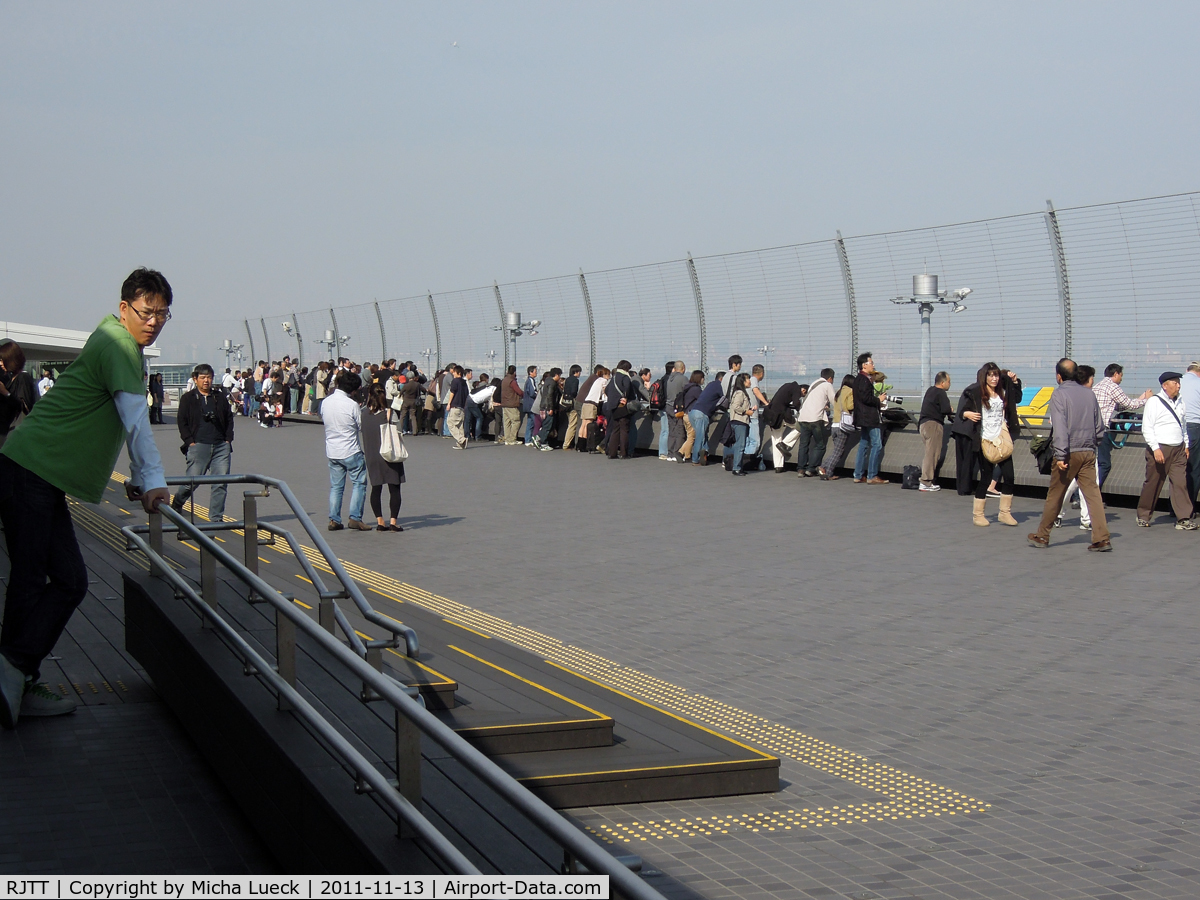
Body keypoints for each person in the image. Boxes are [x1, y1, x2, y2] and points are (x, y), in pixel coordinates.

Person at [0, 268, 172, 727]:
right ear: (124, 309)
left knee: (68, 581)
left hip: (38, 472)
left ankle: (16, 673)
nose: (153, 321)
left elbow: (120, 419)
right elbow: (136, 418)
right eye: (146, 311)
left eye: (162, 314)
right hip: (30, 468)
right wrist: (153, 479)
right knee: (36, 579)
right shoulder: (117, 344)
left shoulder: (117, 344)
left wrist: (136, 476)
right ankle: (13, 673)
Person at [1028, 358, 1111, 550]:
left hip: (1068, 452)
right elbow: (1099, 426)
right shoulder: (1089, 394)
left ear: (1058, 376)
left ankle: (1042, 535)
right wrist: (1093, 444)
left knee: (1055, 494)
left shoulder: (1059, 395)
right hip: (1088, 452)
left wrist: (1061, 454)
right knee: (1093, 495)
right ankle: (1102, 538)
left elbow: (1060, 427)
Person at [955, 362, 1022, 526]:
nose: (994, 378)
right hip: (984, 439)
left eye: (996, 375)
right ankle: (978, 514)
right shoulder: (975, 392)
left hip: (1001, 439)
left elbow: (1017, 398)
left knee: (1010, 476)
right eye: (990, 375)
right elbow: (961, 410)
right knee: (986, 478)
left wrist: (1015, 382)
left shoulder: (1001, 392)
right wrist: (967, 413)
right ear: (984, 376)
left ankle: (1004, 513)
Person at [170, 363, 235, 522]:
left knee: (220, 483)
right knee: (191, 482)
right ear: (195, 379)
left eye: (209, 377)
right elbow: (182, 421)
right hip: (198, 445)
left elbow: (228, 418)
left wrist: (228, 439)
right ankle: (177, 502)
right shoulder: (188, 398)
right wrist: (189, 441)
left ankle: (216, 518)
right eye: (203, 377)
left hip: (220, 446)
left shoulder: (219, 397)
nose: (206, 381)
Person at [1135, 371, 1194, 529]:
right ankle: (1144, 515)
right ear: (1165, 385)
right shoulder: (1154, 402)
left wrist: (1186, 445)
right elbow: (1147, 427)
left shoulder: (1181, 401)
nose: (1178, 385)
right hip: (1160, 447)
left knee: (1180, 483)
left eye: (1178, 382)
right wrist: (1156, 449)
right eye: (1175, 382)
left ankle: (1183, 519)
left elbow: (1183, 425)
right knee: (1153, 483)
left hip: (1178, 448)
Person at [322, 371, 370, 532]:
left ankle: (334, 519)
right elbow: (360, 426)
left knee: (336, 487)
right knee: (359, 483)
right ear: (353, 389)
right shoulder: (352, 405)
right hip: (351, 450)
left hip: (332, 450)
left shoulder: (326, 402)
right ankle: (355, 517)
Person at [1092, 363, 1152, 488]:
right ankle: (1091, 495)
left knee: (1092, 464)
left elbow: (1119, 406)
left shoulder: (1097, 386)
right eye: (1121, 375)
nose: (1121, 379)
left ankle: (1079, 495)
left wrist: (1140, 399)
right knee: (1104, 464)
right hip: (1102, 430)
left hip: (1090, 430)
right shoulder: (1113, 387)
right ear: (1115, 374)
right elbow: (1129, 405)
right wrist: (1147, 399)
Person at [359, 383, 406, 532]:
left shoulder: (363, 413)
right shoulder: (388, 413)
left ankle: (380, 522)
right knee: (394, 488)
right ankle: (393, 522)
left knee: (376, 488)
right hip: (389, 454)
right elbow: (398, 430)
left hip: (372, 455)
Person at [851, 353, 888, 485]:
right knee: (877, 444)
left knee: (864, 443)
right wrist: (879, 400)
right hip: (870, 417)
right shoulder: (864, 380)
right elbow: (866, 398)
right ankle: (872, 475)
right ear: (864, 365)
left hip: (862, 417)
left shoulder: (859, 379)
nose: (873, 365)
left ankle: (858, 474)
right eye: (871, 363)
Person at [794, 369, 836, 477]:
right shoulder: (827, 385)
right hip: (815, 419)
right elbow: (834, 401)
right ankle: (811, 468)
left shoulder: (814, 383)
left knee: (803, 445)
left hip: (803, 418)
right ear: (830, 378)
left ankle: (800, 469)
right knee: (820, 445)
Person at [917, 372, 953, 491]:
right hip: (934, 425)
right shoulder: (941, 393)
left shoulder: (930, 390)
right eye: (949, 382)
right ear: (942, 383)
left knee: (929, 452)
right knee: (932, 454)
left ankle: (926, 480)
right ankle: (926, 481)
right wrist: (950, 409)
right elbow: (946, 409)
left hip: (923, 424)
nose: (950, 384)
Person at [0, 342, 38, 451]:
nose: (0, 363)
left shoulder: (23, 378)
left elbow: (24, 406)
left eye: (2, 360)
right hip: (8, 430)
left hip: (14, 433)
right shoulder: (10, 378)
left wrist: (5, 392)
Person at [819, 374, 857, 480]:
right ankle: (828, 472)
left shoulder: (838, 392)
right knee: (839, 451)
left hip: (834, 424)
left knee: (836, 450)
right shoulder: (850, 391)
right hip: (843, 425)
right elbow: (850, 406)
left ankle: (823, 467)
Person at [763, 380, 805, 472]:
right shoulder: (796, 388)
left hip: (772, 416)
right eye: (803, 395)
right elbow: (796, 403)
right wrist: (802, 411)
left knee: (776, 439)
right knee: (801, 427)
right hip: (782, 416)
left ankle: (778, 466)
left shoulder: (787, 386)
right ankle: (785, 443)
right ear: (803, 390)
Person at [689, 370, 726, 466]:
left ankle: (704, 455)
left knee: (703, 435)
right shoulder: (720, 385)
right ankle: (695, 459)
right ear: (722, 379)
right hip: (702, 414)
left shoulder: (710, 384)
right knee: (700, 438)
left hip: (693, 412)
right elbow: (725, 398)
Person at [604, 361, 637, 459]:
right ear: (626, 368)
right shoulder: (625, 377)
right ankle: (623, 453)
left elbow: (606, 390)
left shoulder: (614, 377)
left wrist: (614, 398)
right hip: (622, 406)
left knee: (615, 429)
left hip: (613, 406)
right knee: (624, 430)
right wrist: (624, 397)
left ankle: (612, 453)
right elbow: (627, 387)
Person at [1180, 362, 1200, 513]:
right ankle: (1188, 508)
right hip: (1194, 426)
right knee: (1194, 469)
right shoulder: (1198, 383)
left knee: (1177, 469)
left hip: (1176, 428)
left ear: (1187, 371)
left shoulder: (1176, 382)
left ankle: (1175, 507)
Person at [727, 373, 757, 475]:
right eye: (748, 379)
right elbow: (736, 406)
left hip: (740, 420)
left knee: (740, 444)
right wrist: (745, 412)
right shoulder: (740, 393)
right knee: (741, 445)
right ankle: (736, 468)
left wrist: (750, 410)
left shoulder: (739, 392)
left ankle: (738, 466)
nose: (750, 381)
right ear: (743, 382)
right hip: (740, 421)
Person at [499, 365, 524, 445]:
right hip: (512, 404)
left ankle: (507, 439)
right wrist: (524, 394)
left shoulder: (504, 380)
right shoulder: (512, 381)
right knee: (516, 421)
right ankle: (512, 439)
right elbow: (519, 392)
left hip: (504, 404)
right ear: (514, 372)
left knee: (507, 422)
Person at [445, 365, 468, 450]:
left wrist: (449, 403)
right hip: (462, 406)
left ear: (458, 373)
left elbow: (452, 392)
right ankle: (460, 444)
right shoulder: (464, 382)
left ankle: (461, 440)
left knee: (450, 423)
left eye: (454, 372)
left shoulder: (455, 381)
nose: (453, 373)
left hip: (455, 405)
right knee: (459, 425)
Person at [561, 365, 582, 449]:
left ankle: (568, 442)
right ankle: (566, 444)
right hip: (572, 404)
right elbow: (574, 392)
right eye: (579, 372)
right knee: (572, 424)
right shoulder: (575, 380)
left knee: (569, 423)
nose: (580, 373)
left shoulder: (567, 380)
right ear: (576, 372)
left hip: (565, 403)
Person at [520, 365, 539, 445]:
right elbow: (532, 392)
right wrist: (537, 394)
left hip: (527, 405)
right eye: (535, 371)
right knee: (535, 422)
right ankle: (532, 439)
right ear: (530, 372)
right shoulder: (531, 380)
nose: (536, 373)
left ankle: (528, 440)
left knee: (530, 422)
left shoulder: (528, 380)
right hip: (531, 404)